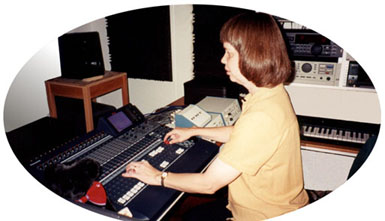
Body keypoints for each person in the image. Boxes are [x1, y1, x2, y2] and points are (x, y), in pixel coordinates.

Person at [122, 12, 309, 220]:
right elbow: (240, 132)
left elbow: (209, 184)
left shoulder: (262, 117)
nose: (222, 60)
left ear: (252, 55)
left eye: (228, 53)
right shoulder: (270, 93)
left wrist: (157, 176)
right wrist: (193, 131)